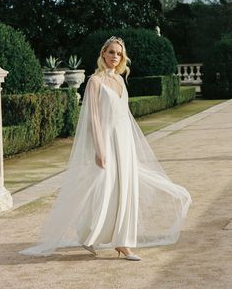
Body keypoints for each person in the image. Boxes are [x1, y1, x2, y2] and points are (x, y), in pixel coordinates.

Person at [19, 36, 192, 261]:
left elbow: (124, 115)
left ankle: (123, 243)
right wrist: (100, 149)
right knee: (102, 189)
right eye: (111, 52)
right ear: (103, 54)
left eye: (119, 54)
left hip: (124, 142)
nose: (115, 57)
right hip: (106, 143)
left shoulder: (120, 80)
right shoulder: (95, 81)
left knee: (126, 190)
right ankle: (89, 235)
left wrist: (132, 144)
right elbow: (94, 119)